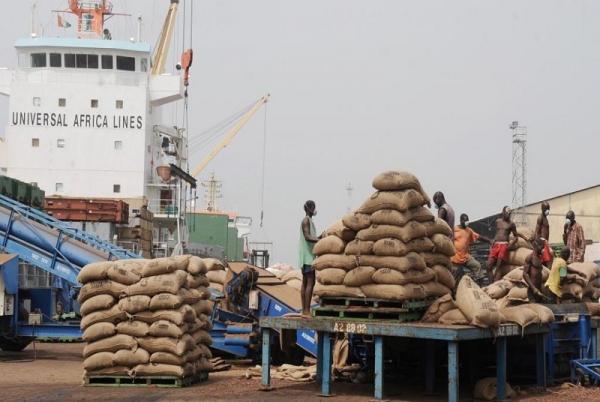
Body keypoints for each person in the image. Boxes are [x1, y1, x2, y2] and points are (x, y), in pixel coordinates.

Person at [451, 213, 492, 287]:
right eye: (465, 220)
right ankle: (452, 294)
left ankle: (481, 287)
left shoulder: (469, 231)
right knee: (454, 278)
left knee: (477, 266)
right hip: (456, 258)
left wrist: (489, 240)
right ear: (461, 220)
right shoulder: (454, 229)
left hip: (466, 256)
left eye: (467, 220)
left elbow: (479, 237)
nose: (467, 222)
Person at [298, 200, 320, 318]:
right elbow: (307, 237)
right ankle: (306, 311)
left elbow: (311, 237)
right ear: (310, 208)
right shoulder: (306, 221)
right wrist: (319, 240)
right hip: (307, 257)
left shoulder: (310, 222)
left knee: (305, 282)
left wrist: (320, 237)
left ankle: (304, 310)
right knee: (310, 282)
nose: (315, 210)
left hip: (307, 256)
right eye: (314, 207)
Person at [485, 206, 518, 284]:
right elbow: (497, 232)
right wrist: (493, 240)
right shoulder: (498, 221)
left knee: (499, 266)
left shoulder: (511, 224)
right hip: (496, 244)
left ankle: (496, 284)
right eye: (506, 213)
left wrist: (511, 244)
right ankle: (491, 284)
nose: (508, 214)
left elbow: (516, 236)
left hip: (504, 245)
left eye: (509, 213)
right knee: (488, 266)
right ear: (503, 212)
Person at [523, 238, 546, 303]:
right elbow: (524, 274)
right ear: (536, 246)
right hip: (532, 290)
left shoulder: (539, 258)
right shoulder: (530, 257)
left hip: (539, 289)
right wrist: (533, 288)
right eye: (542, 247)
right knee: (534, 308)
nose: (543, 249)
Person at [534, 201, 553, 269]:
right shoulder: (540, 218)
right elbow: (537, 231)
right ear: (542, 209)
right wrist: (538, 244)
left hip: (546, 242)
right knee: (549, 262)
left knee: (546, 261)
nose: (547, 210)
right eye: (546, 209)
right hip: (542, 242)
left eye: (548, 209)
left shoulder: (546, 219)